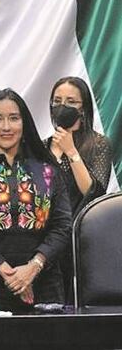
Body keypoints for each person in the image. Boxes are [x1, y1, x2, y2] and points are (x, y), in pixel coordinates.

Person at [0, 88, 72, 312]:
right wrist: (8, 272)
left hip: (44, 283)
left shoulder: (47, 170)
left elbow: (62, 226)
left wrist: (33, 267)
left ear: (24, 123)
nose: (6, 127)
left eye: (14, 118)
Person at [43, 76, 114, 305]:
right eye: (57, 100)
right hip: (45, 240)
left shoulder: (98, 144)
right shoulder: (41, 146)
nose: (62, 107)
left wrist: (71, 151)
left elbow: (93, 193)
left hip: (78, 241)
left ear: (83, 108)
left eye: (71, 101)